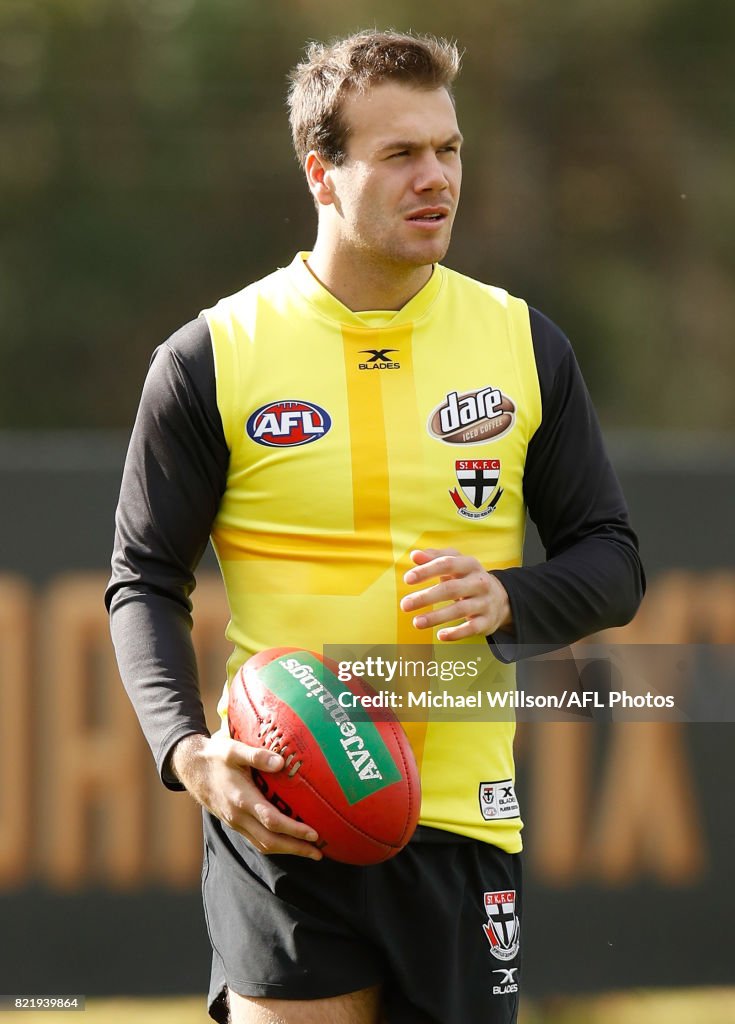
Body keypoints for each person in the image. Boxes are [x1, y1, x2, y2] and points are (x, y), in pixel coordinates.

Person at [106, 29, 645, 1024]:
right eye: (400, 154)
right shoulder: (211, 356)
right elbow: (142, 577)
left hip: (460, 822)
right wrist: (189, 754)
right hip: (287, 811)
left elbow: (613, 562)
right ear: (323, 173)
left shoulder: (525, 343)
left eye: (449, 150)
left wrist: (510, 597)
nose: (435, 177)